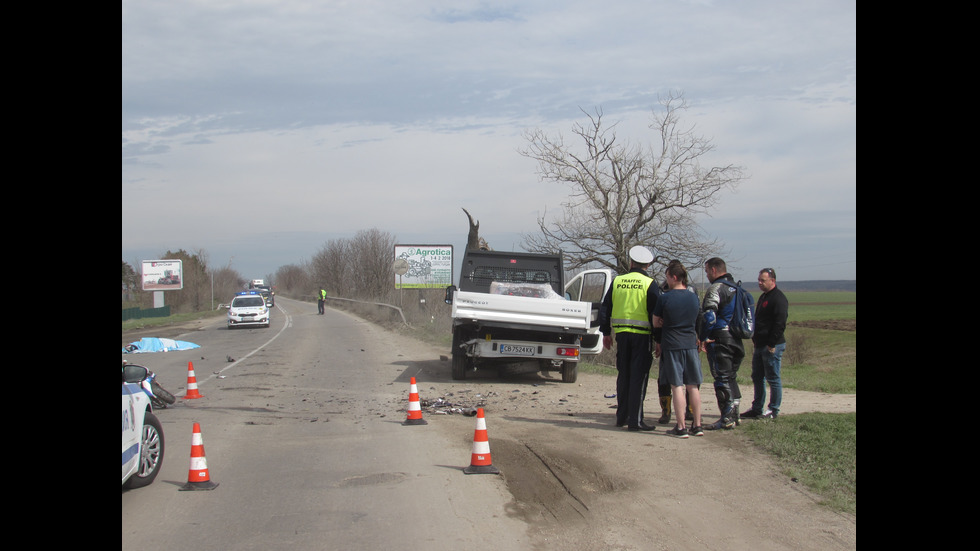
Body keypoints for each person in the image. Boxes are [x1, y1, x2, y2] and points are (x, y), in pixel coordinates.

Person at [599, 246, 662, 432]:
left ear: (631, 262)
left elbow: (605, 308)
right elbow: (656, 315)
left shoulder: (618, 281)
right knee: (638, 377)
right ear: (648, 265)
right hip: (642, 337)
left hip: (622, 336)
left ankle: (621, 417)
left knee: (623, 375)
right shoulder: (650, 283)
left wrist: (606, 333)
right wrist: (658, 340)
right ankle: (636, 420)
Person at [652, 260, 704, 437]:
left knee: (677, 386)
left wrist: (665, 322)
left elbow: (655, 322)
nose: (666, 281)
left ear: (674, 277)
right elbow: (698, 318)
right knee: (693, 386)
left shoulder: (664, 297)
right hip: (690, 343)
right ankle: (697, 425)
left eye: (667, 277)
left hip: (672, 344)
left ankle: (681, 426)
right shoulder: (693, 297)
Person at [699, 257, 746, 431]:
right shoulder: (737, 288)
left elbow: (710, 317)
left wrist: (703, 336)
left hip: (720, 338)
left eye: (706, 271)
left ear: (713, 270)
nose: (706, 274)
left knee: (721, 378)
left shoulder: (716, 288)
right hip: (736, 338)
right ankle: (735, 415)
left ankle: (726, 417)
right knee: (731, 376)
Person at [742, 268, 789, 420]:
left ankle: (773, 410)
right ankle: (757, 408)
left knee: (773, 378)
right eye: (759, 280)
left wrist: (772, 343)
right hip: (759, 344)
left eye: (763, 280)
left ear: (772, 281)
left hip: (772, 345)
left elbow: (780, 323)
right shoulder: (764, 297)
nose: (760, 283)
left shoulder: (779, 298)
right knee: (757, 377)